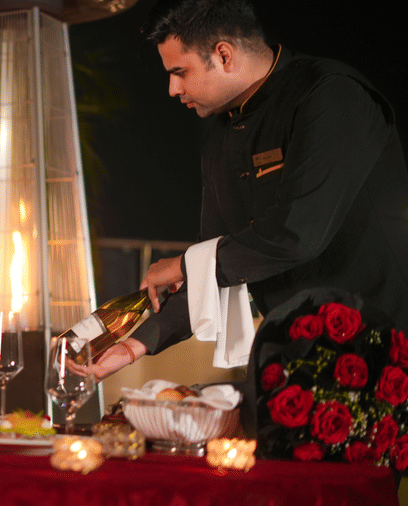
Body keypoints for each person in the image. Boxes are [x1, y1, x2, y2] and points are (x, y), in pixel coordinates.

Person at [89, 0, 408, 379]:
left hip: (384, 346)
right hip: (296, 353)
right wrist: (133, 346)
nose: (173, 89)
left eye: (180, 72)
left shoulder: (332, 96)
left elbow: (296, 235)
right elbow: (218, 260)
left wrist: (182, 264)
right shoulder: (221, 135)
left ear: (224, 55)